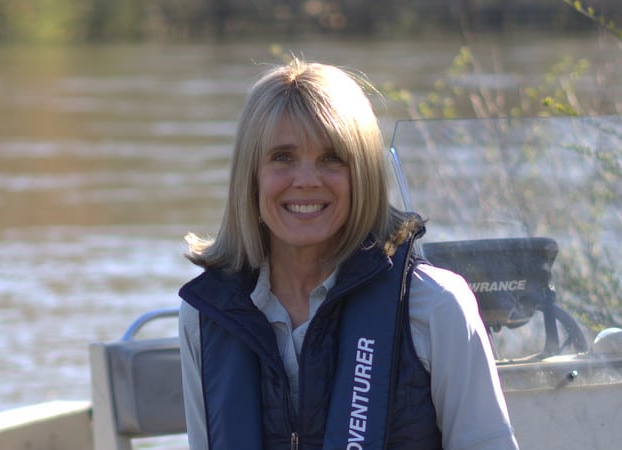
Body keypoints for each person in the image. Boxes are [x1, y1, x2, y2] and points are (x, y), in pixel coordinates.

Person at [178, 57, 519, 449]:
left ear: (364, 175)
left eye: (332, 158)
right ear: (250, 175)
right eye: (283, 157)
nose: (306, 181)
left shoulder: (437, 306)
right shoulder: (204, 318)